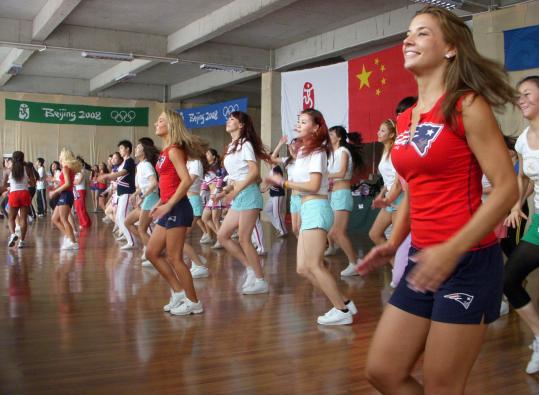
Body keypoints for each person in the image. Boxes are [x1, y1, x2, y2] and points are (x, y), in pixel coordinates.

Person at [358, 6, 517, 394]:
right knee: (383, 371)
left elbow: (506, 187)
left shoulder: (466, 105)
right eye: (408, 34)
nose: (408, 40)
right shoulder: (409, 116)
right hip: (422, 257)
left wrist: (452, 249)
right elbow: (413, 186)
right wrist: (395, 242)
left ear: (450, 48)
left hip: (468, 261)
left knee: (442, 386)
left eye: (422, 33)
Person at [267, 109, 357, 325]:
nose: (298, 124)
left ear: (316, 128)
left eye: (304, 121)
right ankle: (345, 301)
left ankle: (342, 311)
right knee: (303, 269)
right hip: (308, 210)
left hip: (317, 208)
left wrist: (284, 183)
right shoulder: (303, 154)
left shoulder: (318, 153)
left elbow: (314, 185)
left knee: (315, 265)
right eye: (298, 121)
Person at [146, 110, 204, 316]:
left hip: (178, 208)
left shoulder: (175, 150)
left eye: (160, 120)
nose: (156, 123)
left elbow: (187, 180)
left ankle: (194, 302)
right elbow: (170, 183)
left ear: (170, 125)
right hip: (169, 205)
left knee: (174, 258)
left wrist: (168, 205)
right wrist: (161, 202)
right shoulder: (165, 151)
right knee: (151, 253)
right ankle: (179, 292)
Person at [503, 75, 539, 374]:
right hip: (538, 219)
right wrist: (517, 203)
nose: (521, 99)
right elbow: (524, 177)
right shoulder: (523, 140)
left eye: (527, 93)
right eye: (519, 95)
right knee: (509, 279)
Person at [216, 111, 270, 295]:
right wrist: (224, 191)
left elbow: (254, 172)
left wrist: (236, 191)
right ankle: (250, 268)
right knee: (222, 236)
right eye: (228, 118)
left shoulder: (245, 144)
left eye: (232, 119)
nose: (228, 121)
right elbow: (235, 177)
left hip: (248, 194)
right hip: (239, 194)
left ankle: (261, 280)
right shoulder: (231, 146)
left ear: (241, 125)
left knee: (244, 239)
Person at [326, 126, 364, 276]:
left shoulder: (343, 151)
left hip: (342, 193)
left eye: (331, 134)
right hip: (335, 194)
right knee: (334, 232)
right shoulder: (333, 153)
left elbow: (341, 172)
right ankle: (356, 261)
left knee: (338, 232)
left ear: (339, 137)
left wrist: (324, 175)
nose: (328, 136)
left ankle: (354, 263)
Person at [124, 142, 160, 264]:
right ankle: (148, 246)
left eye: (139, 147)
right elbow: (143, 186)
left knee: (142, 229)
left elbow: (154, 183)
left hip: (150, 198)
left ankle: (152, 254)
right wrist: (135, 194)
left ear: (144, 152)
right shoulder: (140, 165)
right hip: (145, 198)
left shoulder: (147, 165)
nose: (136, 149)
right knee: (127, 222)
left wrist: (143, 196)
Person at [99, 141, 136, 249]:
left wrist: (106, 176)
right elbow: (118, 175)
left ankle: (132, 242)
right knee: (121, 218)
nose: (120, 150)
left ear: (127, 149)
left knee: (121, 217)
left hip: (127, 192)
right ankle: (129, 238)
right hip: (121, 194)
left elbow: (122, 173)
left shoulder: (129, 161)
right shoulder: (124, 162)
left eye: (121, 148)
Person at [50, 149, 82, 250]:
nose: (59, 156)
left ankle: (73, 241)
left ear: (64, 156)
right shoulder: (67, 168)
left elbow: (68, 184)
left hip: (66, 195)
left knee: (64, 219)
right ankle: (69, 237)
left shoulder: (65, 168)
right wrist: (55, 185)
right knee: (55, 219)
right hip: (65, 194)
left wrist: (55, 192)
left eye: (60, 155)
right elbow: (65, 183)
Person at [186, 152, 211, 278]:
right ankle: (197, 260)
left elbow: (188, 182)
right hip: (186, 201)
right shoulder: (187, 163)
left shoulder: (196, 163)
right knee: (181, 236)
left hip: (193, 201)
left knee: (181, 236)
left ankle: (199, 264)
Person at [6, 151, 31, 248]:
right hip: (24, 193)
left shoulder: (9, 170)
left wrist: (8, 187)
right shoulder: (28, 169)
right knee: (23, 219)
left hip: (14, 194)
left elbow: (4, 184)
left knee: (11, 218)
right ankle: (22, 241)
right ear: (23, 158)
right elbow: (33, 183)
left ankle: (13, 234)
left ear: (13, 158)